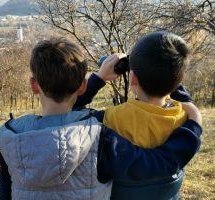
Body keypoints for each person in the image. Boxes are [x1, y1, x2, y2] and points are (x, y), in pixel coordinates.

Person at [0, 37, 202, 200]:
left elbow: (4, 192)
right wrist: (193, 124)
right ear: (82, 87)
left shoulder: (11, 135)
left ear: (34, 85)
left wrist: (98, 79)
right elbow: (158, 164)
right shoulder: (98, 135)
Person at [74, 32, 202, 199]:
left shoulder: (110, 120)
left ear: (132, 79)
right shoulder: (185, 118)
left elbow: (71, 109)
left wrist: (99, 77)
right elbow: (179, 92)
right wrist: (163, 70)